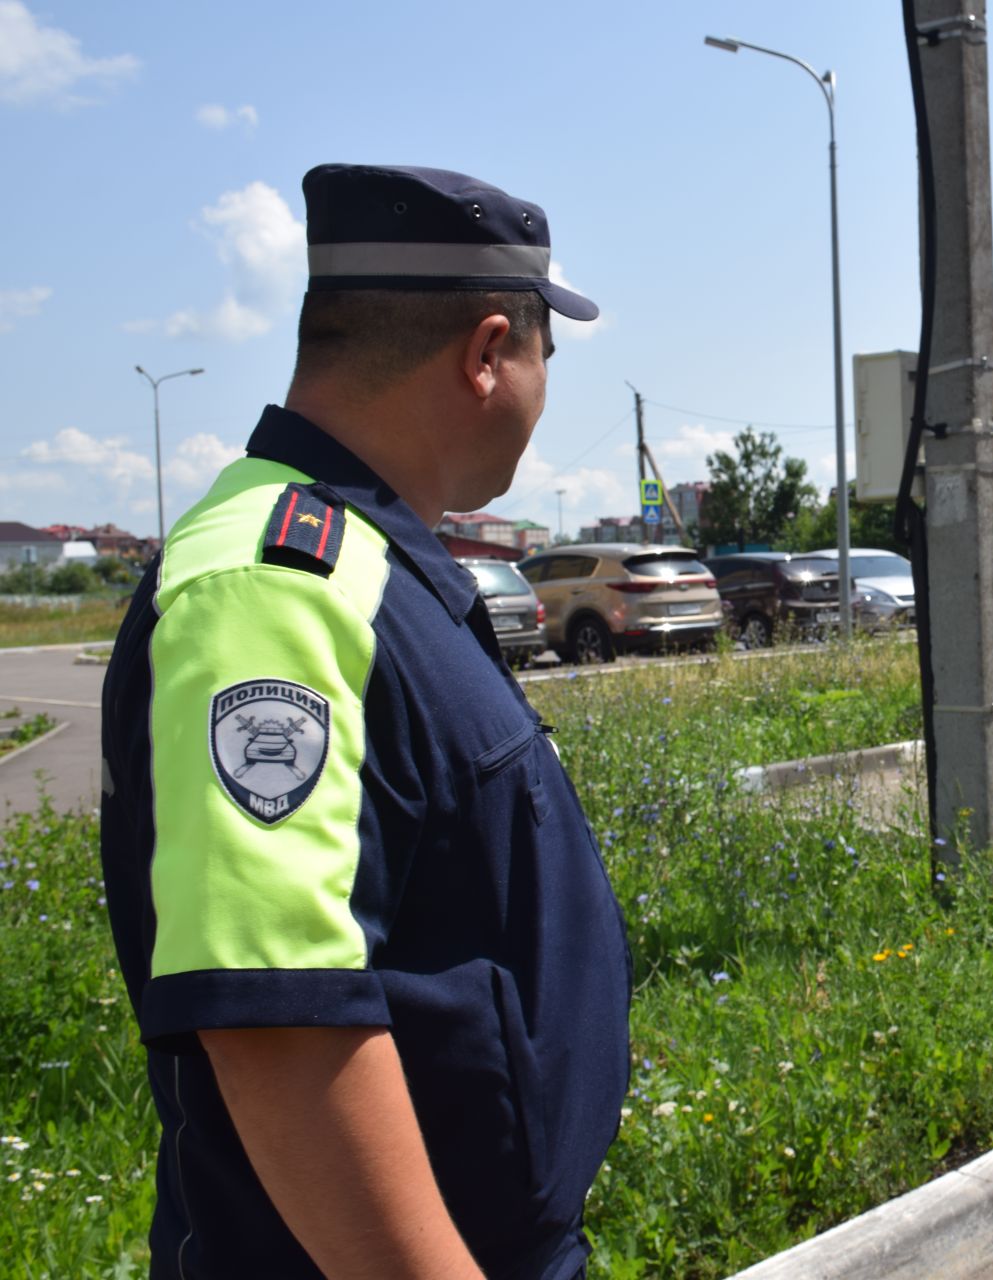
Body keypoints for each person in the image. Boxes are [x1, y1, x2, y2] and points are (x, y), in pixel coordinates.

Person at [99, 164, 631, 1280]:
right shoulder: (273, 585)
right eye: (547, 355)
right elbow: (280, 1021)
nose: (544, 391)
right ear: (490, 354)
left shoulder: (368, 561)